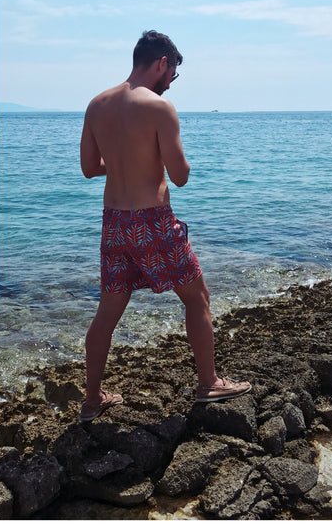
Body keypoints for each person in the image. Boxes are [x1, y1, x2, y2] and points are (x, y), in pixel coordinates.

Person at [78, 30, 251, 422]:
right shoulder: (159, 108)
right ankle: (209, 382)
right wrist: (158, 161)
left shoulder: (96, 105)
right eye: (172, 73)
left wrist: (125, 162)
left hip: (114, 224)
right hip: (153, 223)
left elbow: (90, 168)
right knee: (197, 297)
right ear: (161, 64)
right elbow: (180, 175)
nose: (171, 82)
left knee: (107, 312)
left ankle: (92, 401)